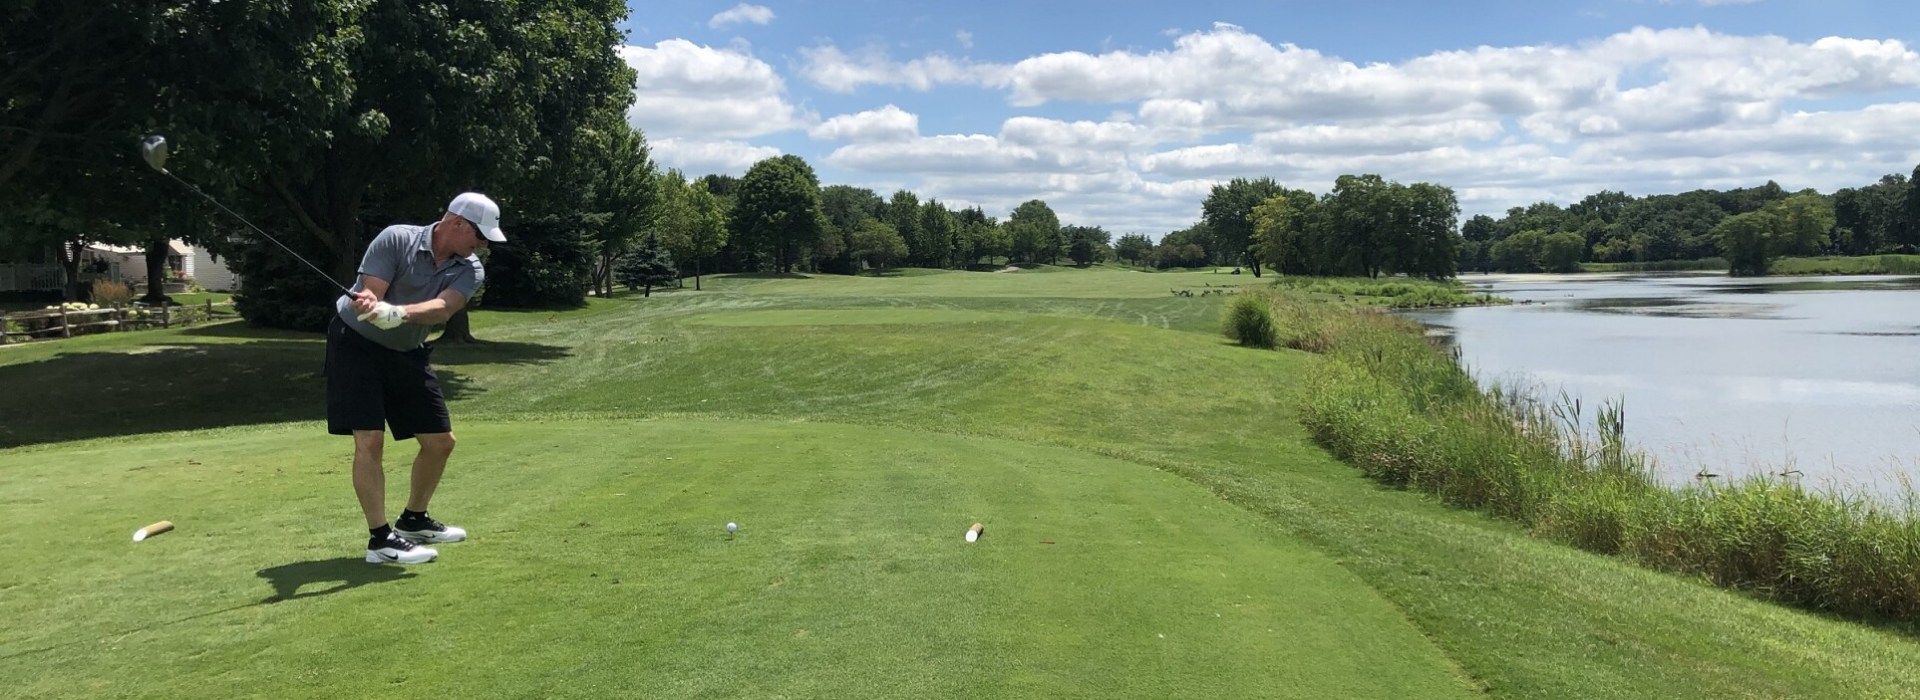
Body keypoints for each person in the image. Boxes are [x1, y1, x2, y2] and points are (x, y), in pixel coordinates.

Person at [326, 192, 505, 564]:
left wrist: (400, 313)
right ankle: (380, 542)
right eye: (480, 237)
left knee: (440, 441)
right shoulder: (397, 239)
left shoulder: (469, 267)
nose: (483, 246)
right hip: (356, 345)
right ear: (457, 223)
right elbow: (371, 294)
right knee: (370, 440)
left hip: (407, 350)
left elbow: (443, 309)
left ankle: (413, 520)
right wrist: (372, 305)